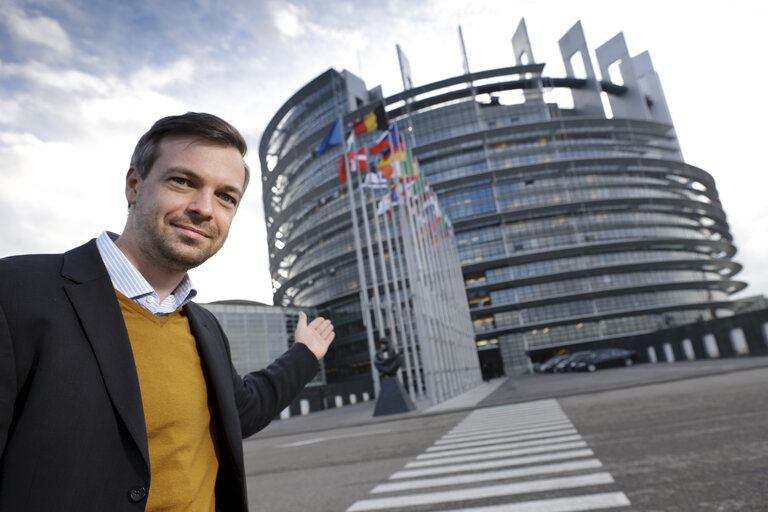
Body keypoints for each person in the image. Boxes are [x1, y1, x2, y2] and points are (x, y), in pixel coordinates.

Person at [0, 112, 335, 511]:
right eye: (183, 181)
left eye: (226, 197)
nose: (204, 208)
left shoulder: (204, 326)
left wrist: (305, 353)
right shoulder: (16, 292)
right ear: (135, 185)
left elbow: (241, 410)